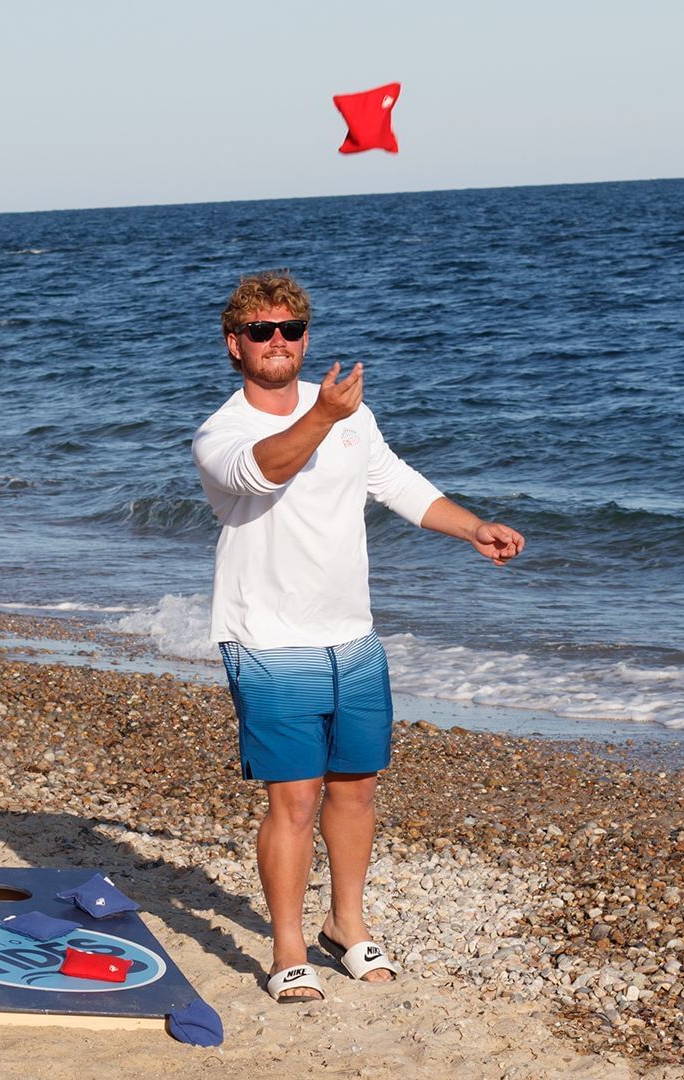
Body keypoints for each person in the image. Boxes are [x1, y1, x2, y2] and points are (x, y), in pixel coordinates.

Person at [192, 270, 525, 1003]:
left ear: (305, 338)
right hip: (269, 640)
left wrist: (472, 526)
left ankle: (346, 926)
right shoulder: (223, 431)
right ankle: (286, 947)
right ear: (234, 345)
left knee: (356, 790)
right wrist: (326, 416)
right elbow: (261, 472)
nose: (277, 342)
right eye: (261, 332)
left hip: (353, 637)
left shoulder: (349, 413)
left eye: (290, 330)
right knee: (295, 799)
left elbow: (397, 483)